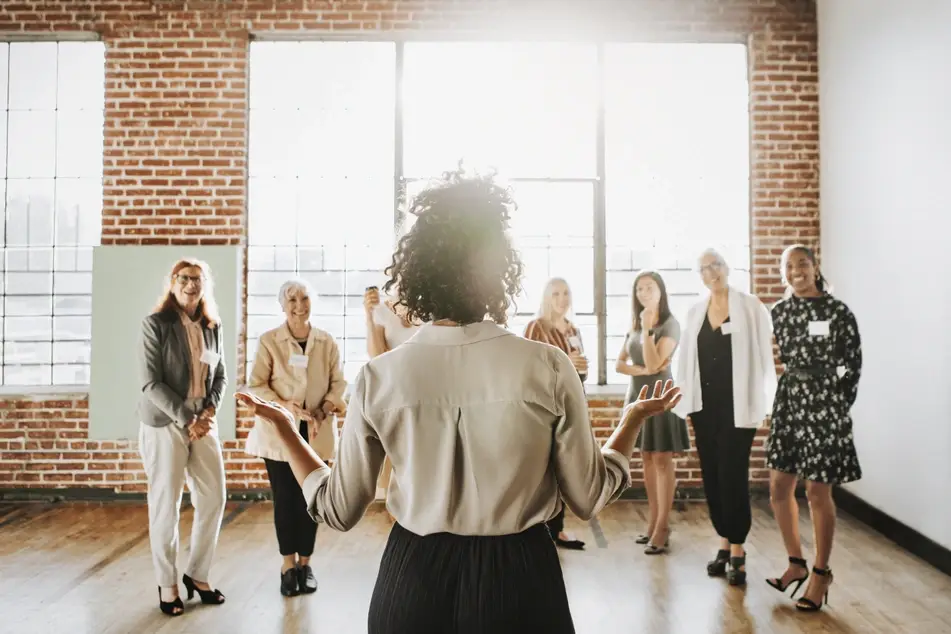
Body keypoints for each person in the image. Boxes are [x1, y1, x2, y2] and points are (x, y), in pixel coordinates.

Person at [237, 166, 682, 634]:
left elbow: (338, 508)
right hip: (522, 581)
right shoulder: (549, 365)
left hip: (413, 578)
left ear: (416, 272)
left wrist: (287, 433)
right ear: (497, 268)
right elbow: (589, 496)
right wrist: (630, 421)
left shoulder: (379, 376)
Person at [764, 244, 862, 612]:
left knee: (818, 491)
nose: (795, 271)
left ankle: (821, 574)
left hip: (825, 405)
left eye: (802, 263)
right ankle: (795, 563)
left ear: (815, 267)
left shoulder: (837, 311)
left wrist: (837, 404)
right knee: (778, 486)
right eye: (788, 266)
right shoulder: (780, 312)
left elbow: (853, 362)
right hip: (790, 401)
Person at [674, 249, 777, 585]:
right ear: (700, 275)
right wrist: (682, 401)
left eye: (715, 265)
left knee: (733, 477)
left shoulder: (750, 307)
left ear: (726, 267)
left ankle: (738, 550)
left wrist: (766, 401)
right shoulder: (694, 312)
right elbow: (685, 362)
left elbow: (764, 358)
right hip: (704, 409)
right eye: (704, 268)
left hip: (738, 409)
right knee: (713, 478)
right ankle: (723, 542)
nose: (711, 272)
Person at [137, 258, 227, 616]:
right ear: (172, 283)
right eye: (184, 278)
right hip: (164, 422)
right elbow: (150, 383)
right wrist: (188, 417)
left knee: (214, 498)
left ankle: (198, 574)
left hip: (202, 421)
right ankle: (168, 584)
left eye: (198, 279)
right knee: (166, 505)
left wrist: (207, 413)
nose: (191, 284)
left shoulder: (212, 325)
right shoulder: (156, 324)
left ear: (205, 285)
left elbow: (219, 376)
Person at [246, 278, 347, 597]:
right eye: (291, 299)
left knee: (312, 501)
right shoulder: (269, 341)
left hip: (316, 432)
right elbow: (257, 385)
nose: (299, 305)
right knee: (286, 501)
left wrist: (325, 408)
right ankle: (287, 565)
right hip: (280, 433)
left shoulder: (327, 341)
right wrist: (284, 405)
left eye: (304, 298)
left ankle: (306, 564)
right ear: (282, 305)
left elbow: (338, 383)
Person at [616, 270, 688, 555]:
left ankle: (662, 526)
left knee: (661, 459)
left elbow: (655, 361)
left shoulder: (670, 325)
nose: (644, 294)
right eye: (639, 289)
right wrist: (641, 371)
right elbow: (620, 364)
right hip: (637, 395)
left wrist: (647, 331)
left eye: (650, 288)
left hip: (661, 396)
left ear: (661, 291)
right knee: (645, 457)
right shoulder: (635, 323)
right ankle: (652, 524)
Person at [523, 277, 588, 549]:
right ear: (546, 298)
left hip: (570, 406)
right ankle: (538, 528)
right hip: (544, 409)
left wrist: (579, 367)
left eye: (566, 293)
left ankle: (557, 529)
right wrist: (566, 362)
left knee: (563, 469)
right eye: (556, 294)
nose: (562, 299)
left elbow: (580, 372)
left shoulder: (573, 329)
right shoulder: (536, 328)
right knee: (542, 471)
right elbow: (528, 371)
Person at [363, 283, 421, 507]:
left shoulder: (434, 308)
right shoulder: (383, 310)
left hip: (427, 394)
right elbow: (377, 358)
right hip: (397, 398)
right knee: (397, 482)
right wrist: (369, 317)